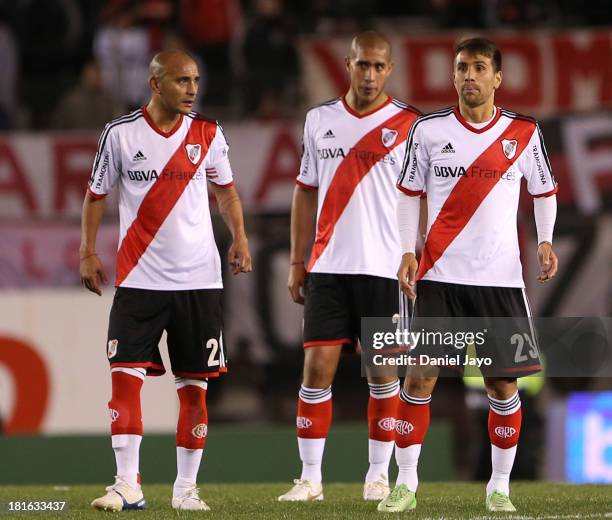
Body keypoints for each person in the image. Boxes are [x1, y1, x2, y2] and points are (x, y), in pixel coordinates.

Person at [378, 37, 559, 513]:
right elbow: (407, 194)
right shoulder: (429, 130)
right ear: (453, 76)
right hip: (441, 278)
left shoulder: (523, 132)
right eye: (462, 68)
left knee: (503, 387)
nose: (469, 76)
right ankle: (406, 485)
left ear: (498, 77)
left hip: (501, 281)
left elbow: (544, 191)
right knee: (419, 380)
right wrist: (405, 251)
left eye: (479, 68)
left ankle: (499, 486)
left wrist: (544, 240)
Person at [80, 50, 252, 512]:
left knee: (194, 387)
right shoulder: (120, 134)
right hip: (139, 280)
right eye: (182, 81)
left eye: (195, 79)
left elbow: (227, 191)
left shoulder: (208, 133)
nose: (192, 89)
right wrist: (88, 250)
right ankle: (126, 484)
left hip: (199, 281)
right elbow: (96, 196)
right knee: (124, 380)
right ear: (156, 84)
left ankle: (185, 490)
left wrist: (240, 239)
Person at [277, 31, 421, 502]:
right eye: (363, 65)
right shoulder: (319, 120)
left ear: (390, 69)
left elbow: (426, 199)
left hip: (385, 271)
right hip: (328, 267)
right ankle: (310, 479)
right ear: (348, 64)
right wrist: (298, 260)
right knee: (316, 370)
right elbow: (304, 189)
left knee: (383, 375)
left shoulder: (410, 125)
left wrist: (419, 257)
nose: (370, 74)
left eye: (379, 66)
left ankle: (377, 475)